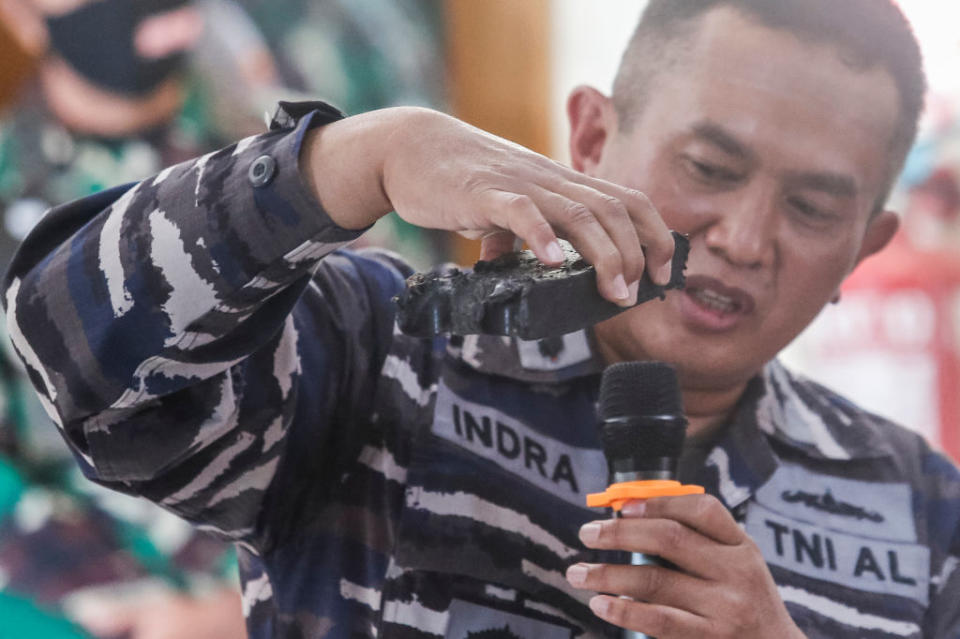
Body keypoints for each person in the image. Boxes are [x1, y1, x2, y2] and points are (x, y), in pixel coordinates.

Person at [4, 0, 959, 637]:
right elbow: (69, 349)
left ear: (865, 248)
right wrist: (350, 162)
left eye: (814, 209)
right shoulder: (383, 355)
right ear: (589, 137)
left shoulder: (926, 517)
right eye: (709, 169)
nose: (747, 238)